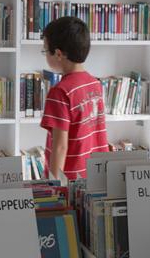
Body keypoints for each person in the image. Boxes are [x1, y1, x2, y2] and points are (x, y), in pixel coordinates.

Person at [40, 17, 109, 180]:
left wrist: (54, 187)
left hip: (69, 183)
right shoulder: (95, 84)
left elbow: (60, 147)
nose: (45, 55)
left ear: (58, 54)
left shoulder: (60, 92)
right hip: (94, 177)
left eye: (45, 51)